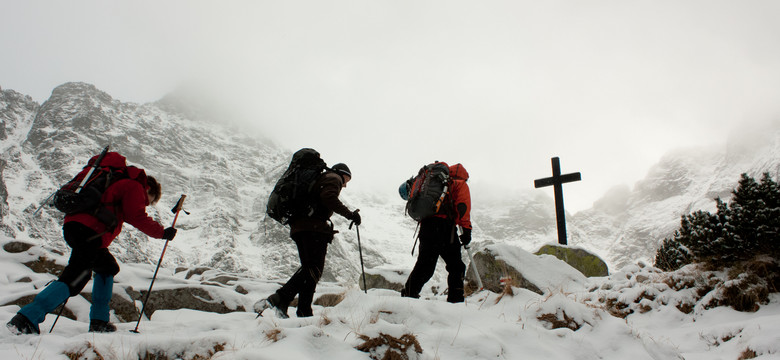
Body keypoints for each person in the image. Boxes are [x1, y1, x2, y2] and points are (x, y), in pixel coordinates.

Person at [6, 152, 177, 335]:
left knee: (107, 267)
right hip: (89, 231)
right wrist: (162, 233)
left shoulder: (113, 179)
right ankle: (26, 318)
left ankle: (99, 321)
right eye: (149, 202)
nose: (147, 204)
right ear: (149, 189)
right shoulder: (135, 186)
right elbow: (135, 215)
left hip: (77, 227)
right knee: (77, 275)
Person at [255, 163, 361, 318]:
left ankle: (304, 311)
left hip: (300, 227)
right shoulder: (333, 177)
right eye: (346, 179)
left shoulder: (320, 178)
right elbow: (328, 197)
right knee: (313, 270)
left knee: (310, 271)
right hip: (313, 229)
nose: (344, 185)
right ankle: (279, 298)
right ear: (341, 173)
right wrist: (350, 215)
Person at [399, 163, 472, 303]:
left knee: (425, 265)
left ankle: (408, 294)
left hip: (427, 226)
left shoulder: (434, 180)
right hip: (445, 227)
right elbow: (463, 206)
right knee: (456, 266)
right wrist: (467, 229)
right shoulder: (458, 183)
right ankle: (456, 302)